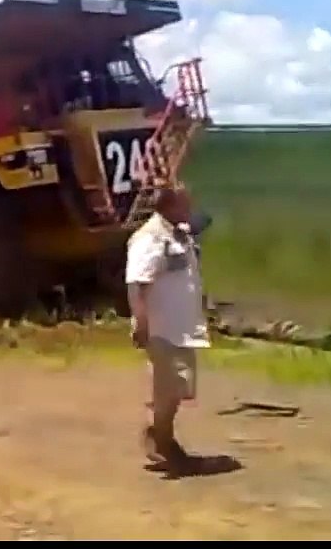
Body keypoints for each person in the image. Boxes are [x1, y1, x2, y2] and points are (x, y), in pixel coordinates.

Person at [126, 184, 209, 471]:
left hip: (182, 326)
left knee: (179, 388)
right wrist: (141, 321)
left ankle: (161, 436)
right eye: (185, 203)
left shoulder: (178, 233)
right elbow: (137, 283)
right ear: (170, 206)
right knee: (167, 390)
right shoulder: (150, 238)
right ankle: (161, 441)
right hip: (162, 328)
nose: (190, 208)